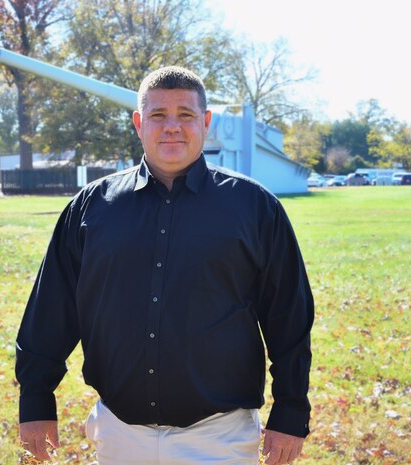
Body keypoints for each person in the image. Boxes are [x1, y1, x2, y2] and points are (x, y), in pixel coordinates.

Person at [16, 65, 314, 465]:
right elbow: (51, 309)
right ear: (139, 123)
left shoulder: (255, 209)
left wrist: (291, 412)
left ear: (205, 123)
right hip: (120, 434)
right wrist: (35, 400)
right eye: (158, 115)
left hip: (220, 437)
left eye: (185, 115)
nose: (171, 127)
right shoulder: (92, 208)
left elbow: (289, 320)